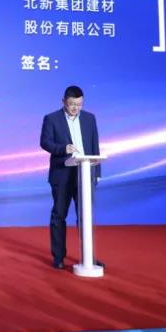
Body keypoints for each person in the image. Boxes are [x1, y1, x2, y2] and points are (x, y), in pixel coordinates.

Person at [39, 85, 101, 269]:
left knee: (85, 216)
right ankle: (59, 257)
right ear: (64, 101)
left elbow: (95, 146)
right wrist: (63, 148)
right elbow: (45, 142)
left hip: (85, 173)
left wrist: (97, 173)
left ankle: (88, 257)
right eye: (72, 104)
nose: (76, 108)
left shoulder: (90, 119)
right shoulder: (51, 119)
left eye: (79, 104)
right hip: (62, 174)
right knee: (59, 215)